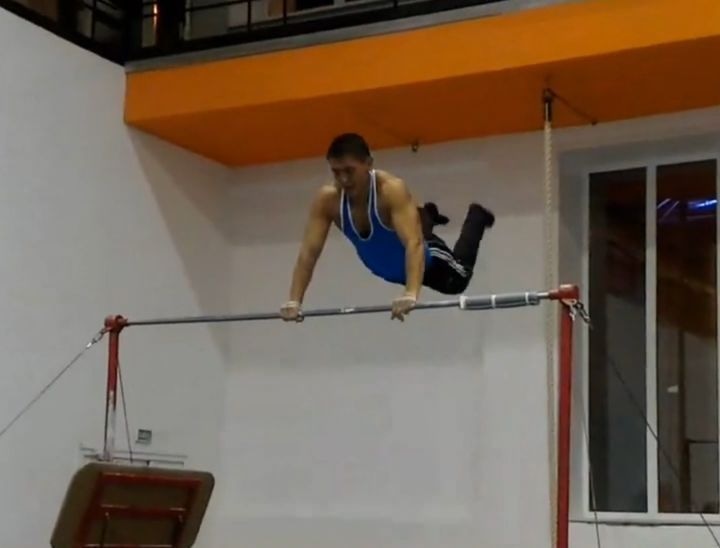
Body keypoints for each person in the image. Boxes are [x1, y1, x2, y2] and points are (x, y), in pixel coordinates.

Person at [280, 133, 495, 322]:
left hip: (426, 261)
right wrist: (294, 300)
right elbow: (309, 253)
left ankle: (476, 217)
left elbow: (414, 243)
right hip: (389, 269)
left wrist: (411, 293)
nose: (343, 179)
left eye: (349, 171)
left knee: (458, 282)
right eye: (336, 172)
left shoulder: (390, 189)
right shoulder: (328, 199)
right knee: (406, 223)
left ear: (369, 164)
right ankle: (426, 214)